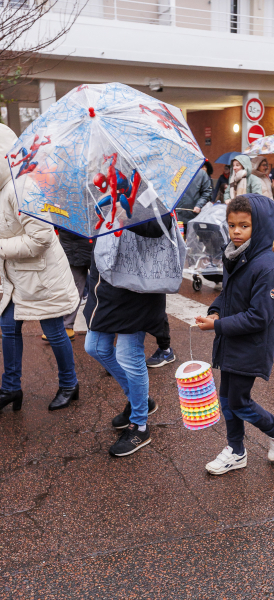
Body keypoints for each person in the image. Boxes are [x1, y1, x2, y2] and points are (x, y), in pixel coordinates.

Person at [195, 194, 274, 475]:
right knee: (227, 398)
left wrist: (216, 326)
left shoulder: (266, 266)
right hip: (231, 339)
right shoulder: (237, 254)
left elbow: (260, 317)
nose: (236, 231)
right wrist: (215, 311)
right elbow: (227, 295)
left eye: (244, 226)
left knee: (239, 399)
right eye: (231, 225)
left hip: (251, 344)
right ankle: (236, 450)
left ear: (261, 226)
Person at [0, 124, 80, 413]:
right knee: (8, 328)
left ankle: (70, 384)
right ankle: (10, 388)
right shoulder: (3, 188)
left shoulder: (23, 186)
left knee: (54, 329)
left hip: (42, 276)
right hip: (16, 277)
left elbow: (42, 237)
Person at [84, 214, 173, 457]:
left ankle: (140, 425)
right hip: (105, 285)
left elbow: (159, 227)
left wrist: (125, 213)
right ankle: (140, 399)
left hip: (136, 286)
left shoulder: (149, 192)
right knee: (95, 347)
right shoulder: (102, 191)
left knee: (128, 355)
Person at [42, 230, 93, 341]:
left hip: (92, 247)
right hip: (72, 248)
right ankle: (66, 325)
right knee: (72, 288)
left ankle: (107, 325)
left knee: (100, 289)